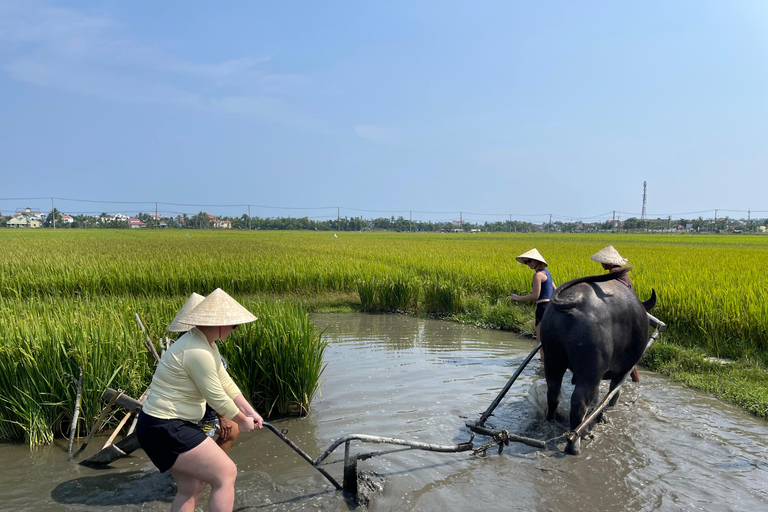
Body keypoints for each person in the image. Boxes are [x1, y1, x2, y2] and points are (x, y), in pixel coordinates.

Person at [136, 289, 263, 512]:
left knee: (191, 487)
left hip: (165, 425)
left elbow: (228, 385)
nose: (235, 329)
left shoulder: (206, 345)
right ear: (220, 324)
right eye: (235, 325)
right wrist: (242, 421)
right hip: (166, 426)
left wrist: (251, 412)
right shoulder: (197, 351)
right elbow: (217, 397)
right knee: (226, 473)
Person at [167, 293, 240, 455]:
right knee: (229, 433)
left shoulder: (181, 343)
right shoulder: (198, 350)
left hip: (182, 413)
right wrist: (223, 417)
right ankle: (207, 469)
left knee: (233, 429)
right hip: (194, 416)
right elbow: (213, 389)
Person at [590, 246, 641, 383]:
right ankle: (636, 382)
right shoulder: (620, 271)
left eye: (603, 261)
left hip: (622, 312)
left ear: (610, 262)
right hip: (627, 310)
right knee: (627, 353)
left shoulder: (615, 272)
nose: (601, 264)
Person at [510, 248, 556, 361]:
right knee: (548, 338)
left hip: (542, 308)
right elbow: (556, 290)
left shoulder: (537, 275)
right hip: (550, 308)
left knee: (540, 340)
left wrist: (518, 298)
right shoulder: (547, 274)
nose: (528, 264)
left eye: (530, 261)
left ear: (538, 261)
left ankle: (543, 363)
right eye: (526, 262)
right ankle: (549, 360)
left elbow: (535, 295)